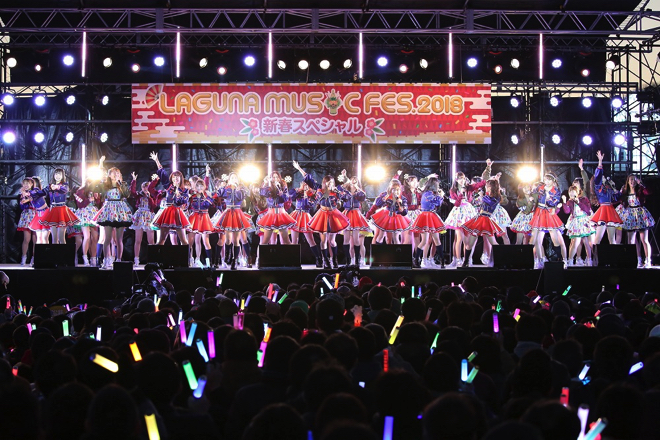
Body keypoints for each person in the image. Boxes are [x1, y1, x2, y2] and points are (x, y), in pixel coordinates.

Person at [293, 161, 349, 269]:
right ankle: (325, 261)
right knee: (323, 241)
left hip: (333, 215)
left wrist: (342, 182)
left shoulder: (336, 190)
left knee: (332, 241)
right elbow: (308, 178)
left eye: (331, 182)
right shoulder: (320, 189)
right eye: (328, 182)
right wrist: (299, 168)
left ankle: (334, 259)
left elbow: (347, 194)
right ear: (324, 182)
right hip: (322, 215)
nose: (329, 184)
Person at [92, 157, 134, 269]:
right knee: (107, 239)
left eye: (117, 173)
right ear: (109, 175)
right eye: (113, 173)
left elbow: (127, 195)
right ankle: (107, 261)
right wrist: (100, 163)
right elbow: (98, 181)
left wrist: (121, 184)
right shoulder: (105, 185)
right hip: (109, 210)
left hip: (120, 211)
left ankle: (118, 260)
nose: (115, 174)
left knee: (118, 239)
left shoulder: (122, 184)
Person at [461, 177, 505, 267]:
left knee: (494, 243)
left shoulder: (497, 197)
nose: (485, 187)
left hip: (486, 220)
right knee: (469, 243)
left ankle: (500, 261)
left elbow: (490, 202)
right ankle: (465, 262)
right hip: (479, 219)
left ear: (491, 187)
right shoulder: (487, 195)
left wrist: (482, 196)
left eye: (487, 186)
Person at [150, 152, 190, 246]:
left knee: (184, 241)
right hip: (167, 212)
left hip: (177, 213)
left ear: (181, 179)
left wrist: (178, 195)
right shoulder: (168, 187)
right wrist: (157, 160)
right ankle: (159, 255)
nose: (176, 179)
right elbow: (163, 174)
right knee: (161, 241)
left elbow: (183, 201)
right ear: (172, 179)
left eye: (178, 177)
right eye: (174, 177)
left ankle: (188, 255)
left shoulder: (184, 190)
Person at [529, 171, 567, 268]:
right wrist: (532, 197)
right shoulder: (540, 187)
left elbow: (554, 203)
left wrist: (549, 197)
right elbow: (533, 193)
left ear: (553, 181)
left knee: (554, 237)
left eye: (549, 180)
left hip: (549, 213)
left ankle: (560, 260)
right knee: (536, 238)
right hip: (539, 212)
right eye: (546, 179)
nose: (547, 182)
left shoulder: (556, 191)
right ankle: (537, 260)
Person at [215, 172, 252, 270]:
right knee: (227, 240)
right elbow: (219, 194)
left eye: (235, 178)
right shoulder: (226, 189)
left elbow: (240, 197)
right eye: (232, 177)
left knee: (236, 240)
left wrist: (236, 188)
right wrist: (223, 187)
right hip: (228, 213)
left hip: (237, 213)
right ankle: (227, 255)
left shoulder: (241, 189)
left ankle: (234, 261)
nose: (234, 179)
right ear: (229, 179)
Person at [409, 175, 446, 268]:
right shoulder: (428, 194)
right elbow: (437, 203)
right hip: (428, 216)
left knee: (432, 240)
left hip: (427, 216)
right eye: (437, 184)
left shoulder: (427, 193)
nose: (438, 186)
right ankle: (417, 259)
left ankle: (440, 260)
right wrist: (441, 196)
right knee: (428, 240)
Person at [619, 174, 654, 268]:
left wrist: (641, 184)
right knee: (631, 240)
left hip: (640, 214)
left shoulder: (640, 189)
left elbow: (648, 192)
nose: (632, 181)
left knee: (644, 240)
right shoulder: (625, 190)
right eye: (631, 179)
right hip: (631, 215)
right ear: (628, 181)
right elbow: (620, 199)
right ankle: (637, 260)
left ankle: (648, 260)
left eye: (634, 179)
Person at [590, 150, 622, 246]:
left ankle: (613, 255)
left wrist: (616, 189)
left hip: (610, 211)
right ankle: (594, 255)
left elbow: (616, 199)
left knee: (612, 239)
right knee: (598, 239)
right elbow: (598, 176)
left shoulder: (608, 188)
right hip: (603, 211)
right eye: (602, 176)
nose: (604, 177)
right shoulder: (598, 187)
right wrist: (600, 161)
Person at [39, 168, 80, 244]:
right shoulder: (50, 186)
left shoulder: (65, 185)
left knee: (61, 237)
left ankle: (63, 252)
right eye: (56, 174)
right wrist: (30, 193)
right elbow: (41, 192)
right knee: (54, 239)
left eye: (59, 174)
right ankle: (55, 252)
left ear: (62, 176)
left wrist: (57, 187)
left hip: (61, 210)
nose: (57, 176)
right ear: (54, 175)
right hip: (52, 211)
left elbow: (65, 190)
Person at [289, 180, 323, 267]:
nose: (305, 185)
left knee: (310, 240)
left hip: (305, 216)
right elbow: (291, 197)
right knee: (294, 241)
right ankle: (293, 261)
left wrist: (305, 195)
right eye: (303, 183)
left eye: (306, 184)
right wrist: (300, 189)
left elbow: (308, 205)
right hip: (296, 215)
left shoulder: (313, 194)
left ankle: (318, 259)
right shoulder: (298, 192)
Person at [256, 171, 295, 246]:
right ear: (271, 178)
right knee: (265, 240)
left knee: (286, 240)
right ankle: (261, 254)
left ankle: (291, 253)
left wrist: (281, 194)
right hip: (271, 213)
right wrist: (265, 183)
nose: (275, 179)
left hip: (281, 212)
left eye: (277, 177)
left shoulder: (283, 187)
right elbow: (262, 193)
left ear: (279, 178)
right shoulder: (268, 187)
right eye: (273, 177)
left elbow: (286, 199)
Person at [562, 185, 595, 266]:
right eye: (570, 192)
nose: (571, 194)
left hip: (584, 222)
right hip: (576, 222)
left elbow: (587, 210)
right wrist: (564, 202)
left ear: (577, 193)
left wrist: (578, 202)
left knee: (587, 242)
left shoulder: (584, 199)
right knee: (576, 241)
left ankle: (589, 260)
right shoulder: (570, 202)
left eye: (573, 192)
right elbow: (567, 211)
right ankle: (570, 261)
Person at [129, 173, 158, 266]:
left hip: (149, 216)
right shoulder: (139, 195)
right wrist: (134, 180)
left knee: (151, 240)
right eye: (144, 187)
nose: (145, 189)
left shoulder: (152, 196)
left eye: (147, 187)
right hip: (140, 216)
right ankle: (136, 259)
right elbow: (132, 191)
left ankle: (152, 260)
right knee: (138, 240)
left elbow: (154, 206)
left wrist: (149, 197)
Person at [73, 181, 101, 267]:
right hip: (84, 214)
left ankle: (93, 259)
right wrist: (88, 200)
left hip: (93, 213)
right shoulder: (80, 191)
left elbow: (98, 202)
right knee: (87, 236)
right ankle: (85, 258)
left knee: (95, 237)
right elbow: (80, 205)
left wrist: (97, 198)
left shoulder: (96, 190)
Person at [17, 178, 37, 265]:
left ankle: (34, 258)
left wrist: (28, 197)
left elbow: (36, 200)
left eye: (27, 183)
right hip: (27, 216)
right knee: (26, 239)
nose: (26, 185)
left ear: (31, 184)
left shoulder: (35, 192)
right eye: (24, 183)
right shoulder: (22, 194)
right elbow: (22, 206)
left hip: (35, 215)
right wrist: (23, 198)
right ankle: (24, 257)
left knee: (35, 239)